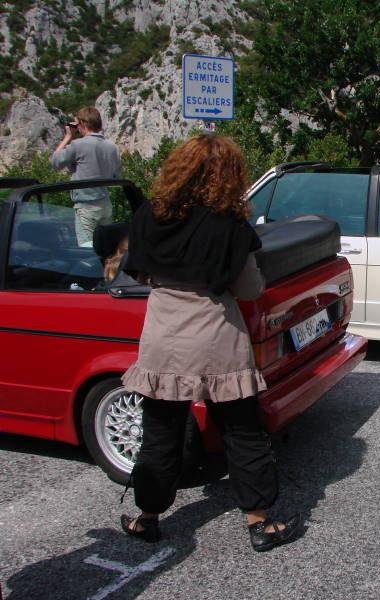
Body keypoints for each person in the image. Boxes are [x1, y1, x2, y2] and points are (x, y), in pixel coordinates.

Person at [118, 132, 302, 552]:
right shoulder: (230, 226)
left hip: (163, 336)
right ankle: (259, 523)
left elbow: (139, 272)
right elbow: (249, 288)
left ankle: (148, 518)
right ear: (230, 176)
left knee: (160, 432)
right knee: (242, 431)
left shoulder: (149, 215)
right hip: (217, 335)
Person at [50, 106, 121, 246]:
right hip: (105, 203)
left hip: (86, 206)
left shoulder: (78, 145)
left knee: (87, 248)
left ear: (82, 123)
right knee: (106, 247)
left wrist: (68, 137)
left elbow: (55, 162)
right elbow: (116, 176)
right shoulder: (112, 147)